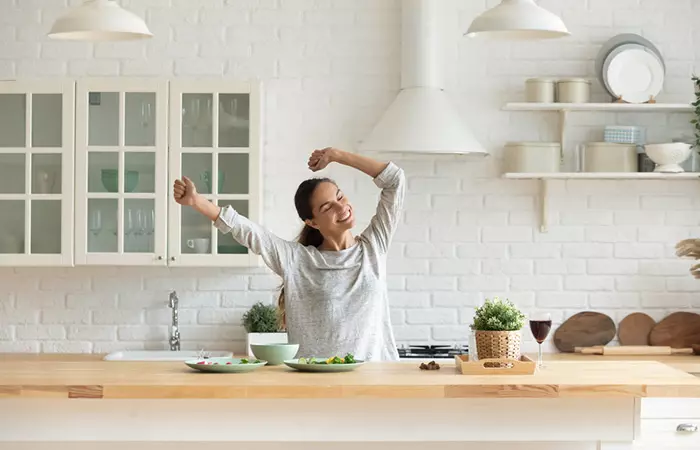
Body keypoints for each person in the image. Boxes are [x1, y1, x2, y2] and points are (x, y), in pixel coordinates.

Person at [172, 147, 405, 361]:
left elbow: (395, 181)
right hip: (316, 388)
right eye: (327, 207)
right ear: (312, 222)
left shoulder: (374, 247)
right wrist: (196, 201)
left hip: (376, 384)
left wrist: (337, 155)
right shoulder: (297, 260)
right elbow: (247, 231)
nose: (341, 207)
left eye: (340, 197)